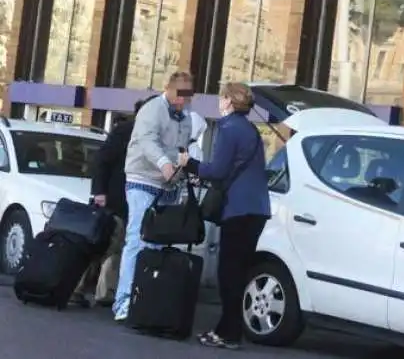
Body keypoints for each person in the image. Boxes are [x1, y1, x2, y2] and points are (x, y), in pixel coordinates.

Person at [178, 82, 268, 350]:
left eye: (222, 97)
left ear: (229, 101)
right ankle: (228, 329)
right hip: (258, 208)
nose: (219, 101)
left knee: (228, 273)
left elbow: (216, 170)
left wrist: (189, 164)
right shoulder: (251, 129)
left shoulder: (228, 128)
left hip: (238, 208)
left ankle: (228, 334)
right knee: (238, 272)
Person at [113, 72, 194, 322]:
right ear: (168, 89)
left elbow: (181, 147)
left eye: (188, 96)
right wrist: (164, 163)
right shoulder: (151, 109)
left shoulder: (185, 118)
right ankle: (123, 301)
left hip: (167, 185)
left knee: (157, 244)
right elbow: (147, 141)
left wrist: (182, 165)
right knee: (137, 239)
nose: (183, 100)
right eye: (180, 94)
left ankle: (145, 297)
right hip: (142, 180)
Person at [71, 96, 157, 308]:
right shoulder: (126, 131)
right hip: (115, 199)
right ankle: (79, 287)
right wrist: (99, 191)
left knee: (116, 247)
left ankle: (105, 291)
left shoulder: (152, 134)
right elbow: (102, 160)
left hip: (132, 200)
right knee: (103, 244)